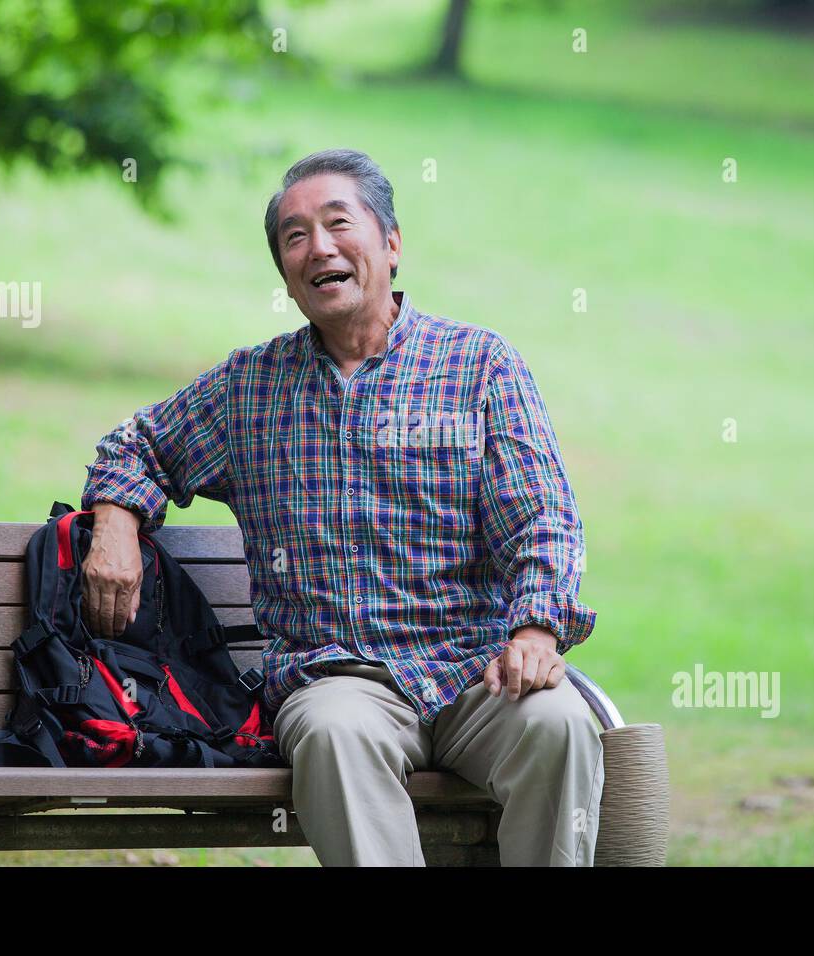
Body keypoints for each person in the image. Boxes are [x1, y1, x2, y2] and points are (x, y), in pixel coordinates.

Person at [79, 148, 602, 866]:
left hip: (476, 672)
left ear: (390, 244)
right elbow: (134, 446)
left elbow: (542, 516)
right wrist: (115, 525)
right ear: (289, 282)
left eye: (337, 223)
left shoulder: (480, 366)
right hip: (337, 681)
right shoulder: (250, 389)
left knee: (561, 725)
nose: (317, 246)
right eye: (295, 237)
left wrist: (538, 628)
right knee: (333, 734)